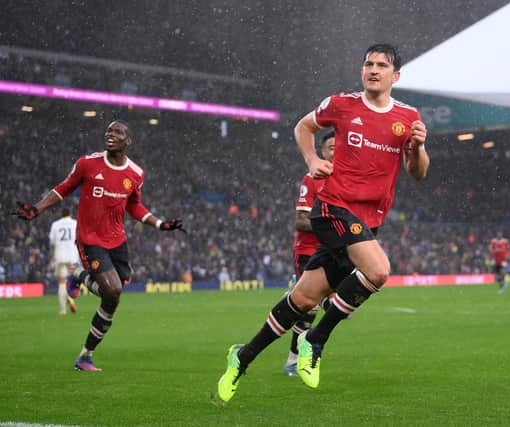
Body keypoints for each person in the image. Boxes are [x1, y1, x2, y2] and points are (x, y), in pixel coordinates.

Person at [217, 43, 429, 402]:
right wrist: (312, 159)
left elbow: (417, 174)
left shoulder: (408, 118)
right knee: (378, 271)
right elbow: (303, 127)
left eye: (381, 65)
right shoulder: (341, 105)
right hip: (333, 208)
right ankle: (314, 341)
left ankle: (243, 355)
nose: (373, 70)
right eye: (368, 64)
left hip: (368, 221)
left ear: (396, 76)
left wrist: (418, 149)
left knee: (303, 299)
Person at [12, 120, 185, 371]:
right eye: (109, 131)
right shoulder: (88, 164)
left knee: (116, 293)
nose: (111, 135)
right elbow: (63, 188)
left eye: (118, 132)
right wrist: (37, 209)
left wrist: (160, 224)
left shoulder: (136, 173)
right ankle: (84, 351)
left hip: (117, 240)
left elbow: (134, 205)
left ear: (129, 141)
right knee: (112, 291)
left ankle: (85, 352)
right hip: (90, 239)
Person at [283, 131, 335, 376]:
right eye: (330, 147)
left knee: (338, 305)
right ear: (322, 151)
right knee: (309, 307)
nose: (335, 151)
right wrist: (331, 225)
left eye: (339, 147)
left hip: (336, 250)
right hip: (308, 250)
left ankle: (297, 292)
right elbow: (301, 221)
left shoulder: (347, 179)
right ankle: (294, 360)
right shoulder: (312, 179)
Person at [49, 207, 80, 315]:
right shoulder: (76, 223)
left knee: (62, 282)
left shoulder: (55, 224)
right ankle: (71, 299)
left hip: (60, 256)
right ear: (70, 214)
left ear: (61, 215)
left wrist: (52, 256)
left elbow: (52, 243)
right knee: (72, 281)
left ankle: (62, 310)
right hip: (73, 257)